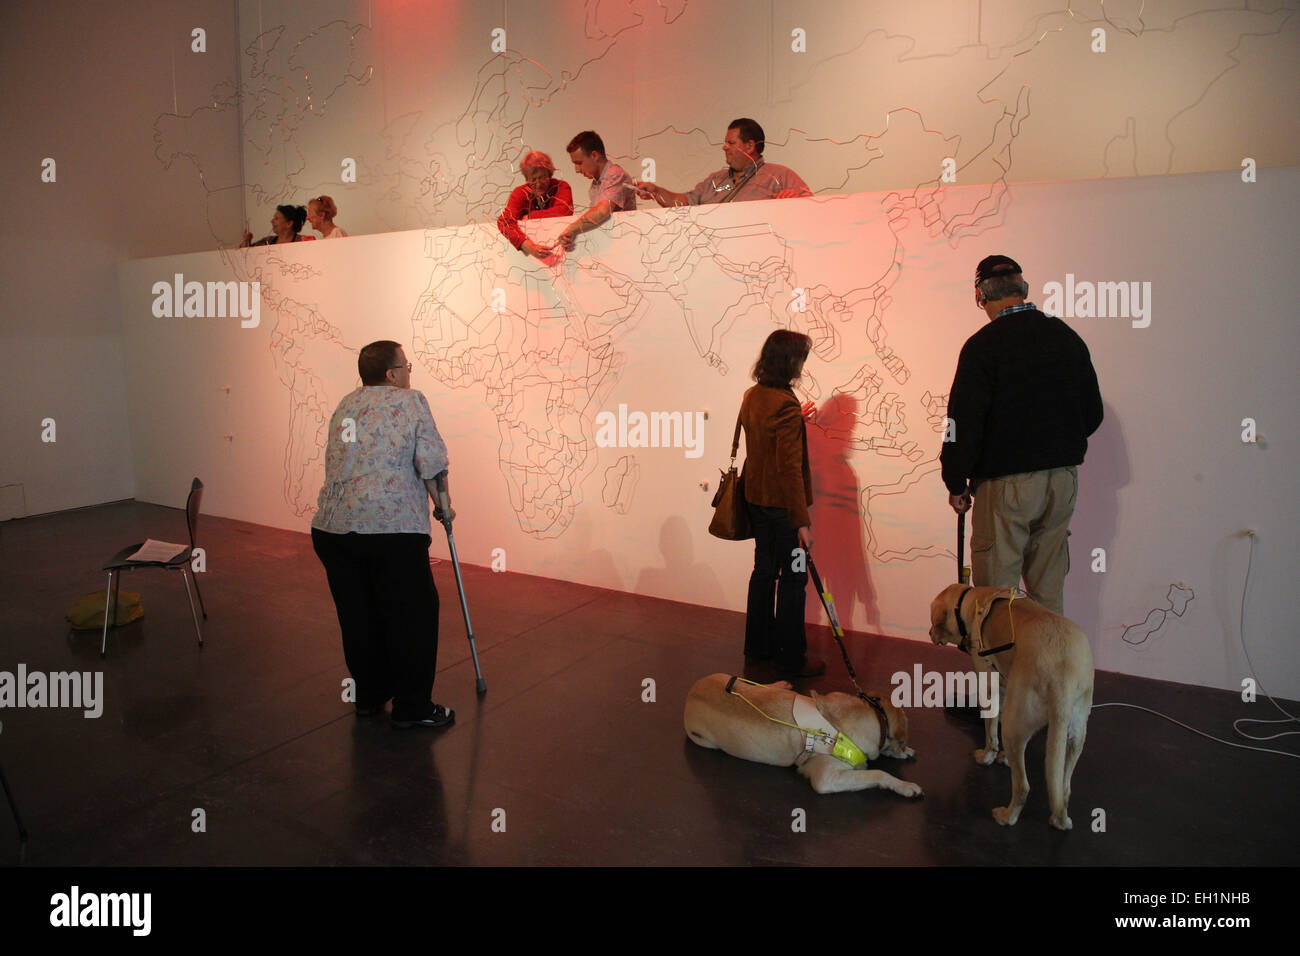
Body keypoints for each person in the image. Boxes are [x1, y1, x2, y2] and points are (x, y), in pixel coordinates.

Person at [940, 255, 1104, 615]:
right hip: (1061, 480)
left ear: (980, 296)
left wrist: (955, 480)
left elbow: (961, 423)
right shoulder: (1065, 337)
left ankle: (1002, 656)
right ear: (1023, 288)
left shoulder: (983, 346)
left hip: (1006, 485)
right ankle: (1049, 653)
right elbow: (1093, 413)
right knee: (1048, 591)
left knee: (996, 598)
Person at [311, 341, 456, 729]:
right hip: (390, 529)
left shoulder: (346, 403)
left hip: (333, 529)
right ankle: (413, 707)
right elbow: (431, 462)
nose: (409, 372)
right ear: (392, 374)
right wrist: (443, 507)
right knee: (412, 615)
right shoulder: (410, 401)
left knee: (359, 615)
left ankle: (369, 696)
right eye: (406, 365)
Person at [740, 329, 823, 678]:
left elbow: (763, 439)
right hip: (784, 511)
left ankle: (758, 648)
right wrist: (801, 521)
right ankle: (790, 659)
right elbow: (789, 468)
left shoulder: (753, 395)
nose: (802, 364)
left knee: (763, 572)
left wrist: (795, 420)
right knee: (794, 578)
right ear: (789, 361)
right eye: (801, 358)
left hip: (756, 500)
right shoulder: (785, 404)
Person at [635, 118, 811, 207]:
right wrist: (656, 191)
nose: (724, 147)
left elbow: (812, 208)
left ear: (750, 146)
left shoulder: (780, 175)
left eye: (731, 143)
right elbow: (684, 203)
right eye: (725, 142)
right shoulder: (715, 180)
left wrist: (795, 201)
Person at [554, 131, 636, 250]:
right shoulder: (596, 183)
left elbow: (602, 211)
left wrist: (572, 229)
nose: (577, 170)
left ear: (594, 155)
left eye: (579, 163)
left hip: (623, 247)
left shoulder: (615, 174)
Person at [496, 151, 574, 259]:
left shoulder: (561, 187)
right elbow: (505, 222)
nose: (538, 184)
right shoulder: (520, 193)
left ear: (549, 174)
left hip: (562, 252)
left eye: (542, 178)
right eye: (533, 179)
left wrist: (529, 217)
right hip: (528, 258)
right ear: (527, 179)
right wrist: (530, 248)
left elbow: (564, 211)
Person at [241, 205, 313, 246]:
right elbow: (245, 256)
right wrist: (246, 240)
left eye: (276, 218)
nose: (272, 221)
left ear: (289, 223)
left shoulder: (303, 241)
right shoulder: (267, 241)